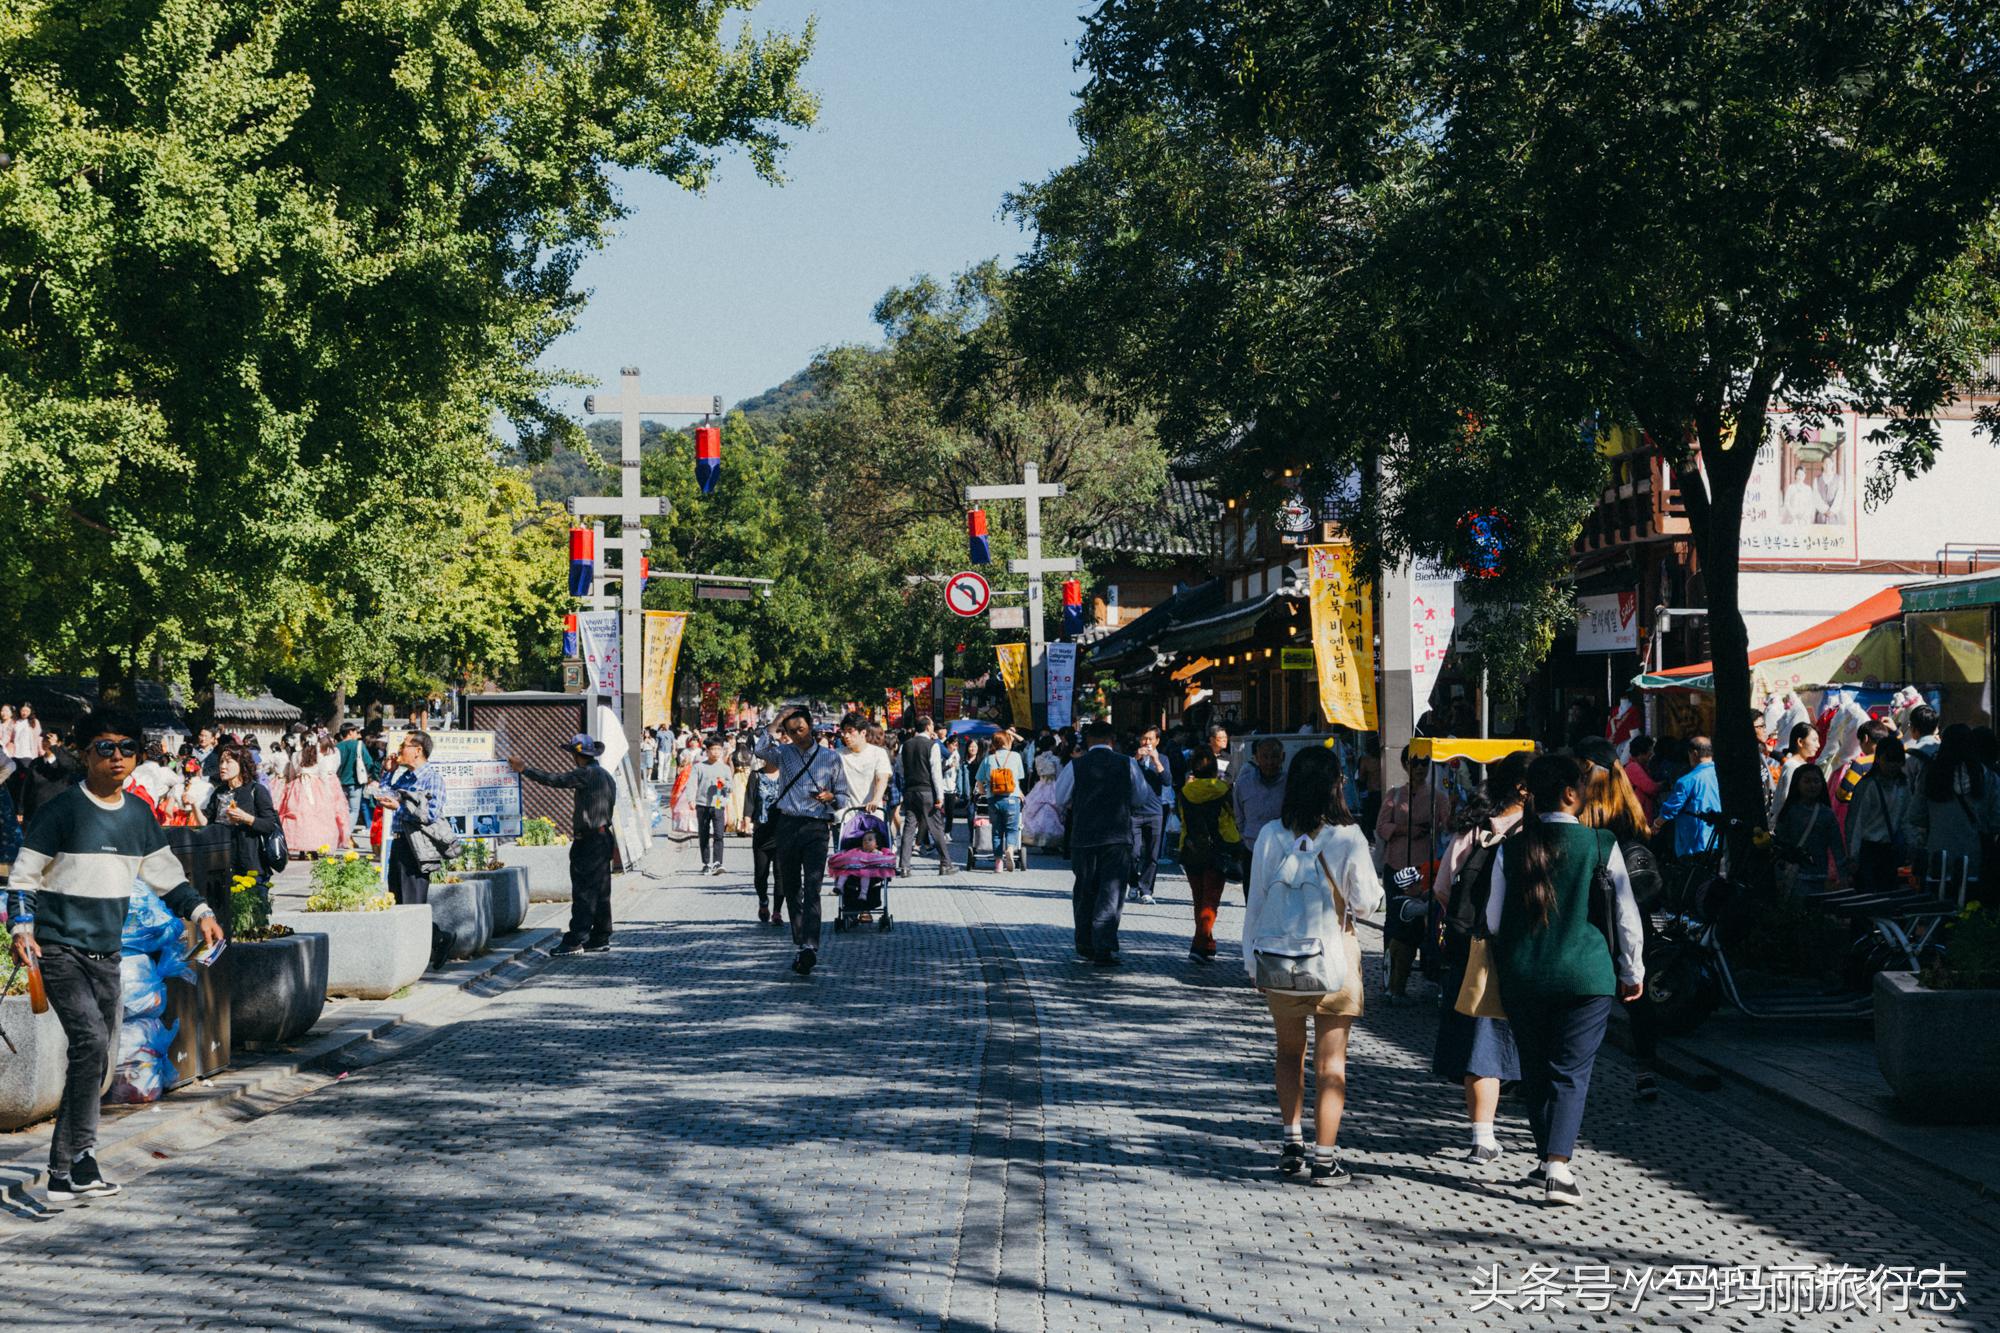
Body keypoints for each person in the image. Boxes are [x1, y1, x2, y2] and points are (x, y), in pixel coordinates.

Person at [8, 709, 224, 1202]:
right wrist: (21, 928)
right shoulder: (61, 811)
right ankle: (70, 1166)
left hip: (108, 955)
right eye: (105, 748)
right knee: (88, 1043)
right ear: (85, 754)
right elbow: (23, 876)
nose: (118, 757)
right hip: (59, 949)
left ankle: (75, 1166)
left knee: (98, 1057)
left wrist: (202, 912)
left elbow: (166, 876)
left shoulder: (139, 816)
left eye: (127, 748)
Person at [1488, 754, 1645, 1207]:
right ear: (1571, 794)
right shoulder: (1600, 843)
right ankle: (1558, 1166)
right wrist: (1632, 970)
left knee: (1536, 1068)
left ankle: (1544, 1160)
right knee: (1570, 1071)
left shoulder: (1512, 846)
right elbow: (1626, 915)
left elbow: (1493, 920)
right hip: (1586, 974)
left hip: (1524, 974)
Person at [1242, 744, 1382, 1186]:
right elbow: (1366, 903)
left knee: (1288, 1053)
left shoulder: (1270, 835)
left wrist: (1251, 964)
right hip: (1335, 960)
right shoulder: (1348, 836)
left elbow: (1255, 902)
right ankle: (1325, 1158)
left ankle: (1291, 1144)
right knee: (1331, 1063)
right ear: (1335, 785)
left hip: (1279, 959)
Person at [1432, 750, 1530, 1159]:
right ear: (1523, 789)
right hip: (1527, 949)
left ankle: (1483, 1134)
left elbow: (1442, 887)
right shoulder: (1537, 830)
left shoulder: (1475, 828)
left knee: (1481, 1038)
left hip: (1476, 949)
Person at [1575, 739, 1667, 1101]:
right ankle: (1645, 1068)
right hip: (1633, 914)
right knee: (1636, 995)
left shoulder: (1585, 815)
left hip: (1594, 913)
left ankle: (1570, 1072)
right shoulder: (1631, 811)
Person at [1047, 719, 1153, 966]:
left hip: (1084, 836)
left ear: (1088, 741)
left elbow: (1060, 798)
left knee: (1085, 889)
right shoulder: (1127, 763)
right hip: (1117, 837)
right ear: (1112, 740)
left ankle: (1085, 943)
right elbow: (1141, 797)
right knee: (1111, 891)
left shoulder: (1076, 765)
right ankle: (1103, 944)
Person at [759, 709, 849, 977]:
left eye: (801, 729)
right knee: (791, 886)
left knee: (813, 886)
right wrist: (777, 720)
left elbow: (843, 797)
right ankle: (800, 940)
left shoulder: (831, 758)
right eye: (791, 731)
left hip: (816, 827)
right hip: (787, 825)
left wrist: (831, 797)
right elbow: (760, 749)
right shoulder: (784, 753)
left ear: (811, 726)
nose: (797, 735)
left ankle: (810, 944)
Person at [510, 735, 619, 955]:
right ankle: (600, 936)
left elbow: (555, 779)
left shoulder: (585, 773)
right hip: (604, 836)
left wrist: (524, 769)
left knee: (584, 891)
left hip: (589, 840)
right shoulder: (606, 775)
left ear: (577, 755)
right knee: (601, 890)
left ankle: (575, 939)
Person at [1375, 747, 1452, 1002]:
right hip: (1397, 865)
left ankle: (1425, 972)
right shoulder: (1395, 795)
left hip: (1424, 869)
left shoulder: (1438, 797)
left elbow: (1447, 826)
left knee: (1424, 921)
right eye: (1415, 762)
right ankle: (1391, 977)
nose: (1419, 767)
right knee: (1395, 921)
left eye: (1424, 763)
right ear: (1405, 765)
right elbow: (1381, 826)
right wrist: (1405, 829)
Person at [1910, 723, 2000, 897]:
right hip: (1973, 858)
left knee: (1937, 907)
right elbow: (1996, 820)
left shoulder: (1931, 775)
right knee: (1969, 908)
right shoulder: (1986, 776)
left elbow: (1915, 815)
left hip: (1938, 857)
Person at [1177, 750, 1240, 961]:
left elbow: (1182, 817)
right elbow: (1235, 816)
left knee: (1199, 899)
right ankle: (1199, 944)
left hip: (1192, 848)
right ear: (1214, 769)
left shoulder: (1185, 791)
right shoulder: (1223, 790)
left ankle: (1207, 944)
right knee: (1210, 900)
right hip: (1218, 849)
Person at [197, 743, 282, 899]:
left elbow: (270, 825)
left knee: (254, 909)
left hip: (251, 862)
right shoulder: (219, 792)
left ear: (242, 764)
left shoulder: (256, 790)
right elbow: (206, 823)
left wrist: (246, 818)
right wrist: (193, 806)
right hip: (223, 862)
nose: (223, 766)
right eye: (221, 762)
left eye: (228, 762)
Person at [372, 730, 447, 906]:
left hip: (417, 845)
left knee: (413, 902)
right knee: (396, 899)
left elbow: (430, 815)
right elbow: (383, 797)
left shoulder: (432, 779)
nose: (398, 750)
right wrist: (389, 772)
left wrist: (399, 808)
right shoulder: (405, 777)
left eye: (403, 745)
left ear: (418, 750)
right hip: (399, 843)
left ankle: (427, 926)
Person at [1846, 736, 1918, 892]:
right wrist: (1853, 856)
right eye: (1889, 760)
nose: (1893, 765)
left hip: (1890, 850)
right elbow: (1856, 823)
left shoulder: (1903, 784)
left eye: (1897, 760)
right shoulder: (1868, 785)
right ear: (1878, 759)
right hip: (1868, 850)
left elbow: (1906, 819)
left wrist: (1912, 845)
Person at [1772, 763, 1846, 897]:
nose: (1812, 785)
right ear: (1797, 784)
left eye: (1816, 781)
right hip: (1795, 878)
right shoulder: (1790, 812)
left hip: (1819, 878)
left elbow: (1837, 847)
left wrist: (1844, 876)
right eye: (1807, 781)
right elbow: (1779, 845)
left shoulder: (1827, 814)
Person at [896, 715, 952, 877]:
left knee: (909, 827)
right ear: (928, 727)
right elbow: (936, 772)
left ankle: (904, 866)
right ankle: (945, 863)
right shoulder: (932, 745)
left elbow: (900, 768)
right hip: (927, 790)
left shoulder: (905, 745)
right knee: (936, 826)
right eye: (932, 725)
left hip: (910, 790)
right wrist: (940, 796)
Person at [1652, 735, 1721, 858]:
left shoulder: (1686, 781)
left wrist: (1657, 824)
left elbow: (1671, 809)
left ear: (1694, 753)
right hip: (1720, 839)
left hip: (1695, 842)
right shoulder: (1722, 776)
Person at [975, 729, 1028, 872]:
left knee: (997, 831)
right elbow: (1018, 778)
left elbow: (979, 780)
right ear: (1007, 742)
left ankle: (998, 863)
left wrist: (983, 791)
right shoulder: (1016, 756)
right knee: (1012, 828)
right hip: (1011, 798)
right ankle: (1010, 848)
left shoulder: (988, 759)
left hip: (994, 799)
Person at [1128, 728, 1168, 904]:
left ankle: (1146, 890)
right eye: (1144, 739)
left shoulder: (1163, 759)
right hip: (1134, 812)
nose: (1147, 743)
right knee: (1132, 852)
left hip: (1154, 812)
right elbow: (1124, 778)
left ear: (1157, 741)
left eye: (1150, 739)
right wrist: (1136, 758)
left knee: (1152, 854)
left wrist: (1156, 761)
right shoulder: (1131, 759)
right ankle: (1133, 883)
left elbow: (1167, 781)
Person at [1231, 737, 1289, 854]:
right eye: (1265, 757)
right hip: (1252, 848)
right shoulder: (1244, 783)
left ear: (1282, 757)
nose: (1269, 762)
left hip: (1283, 849)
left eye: (1274, 756)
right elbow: (1238, 815)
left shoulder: (1290, 784)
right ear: (1257, 758)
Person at [835, 711, 893, 829]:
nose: (846, 736)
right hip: (845, 818)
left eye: (850, 731)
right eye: (844, 732)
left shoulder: (878, 753)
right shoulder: (837, 755)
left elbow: (882, 779)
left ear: (863, 732)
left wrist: (875, 800)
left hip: (872, 817)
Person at [689, 737, 734, 875]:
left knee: (719, 834)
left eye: (719, 749)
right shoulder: (699, 767)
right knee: (703, 835)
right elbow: (692, 784)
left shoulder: (725, 768)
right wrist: (691, 800)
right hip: (702, 804)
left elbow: (731, 787)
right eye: (713, 749)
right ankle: (706, 863)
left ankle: (717, 863)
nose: (716, 752)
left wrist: (724, 784)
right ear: (707, 751)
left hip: (718, 804)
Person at [747, 764, 783, 926]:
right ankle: (763, 901)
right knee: (760, 874)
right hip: (761, 831)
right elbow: (749, 799)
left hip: (782, 832)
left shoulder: (788, 774)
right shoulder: (756, 776)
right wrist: (746, 819)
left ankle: (777, 911)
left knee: (781, 875)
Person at [22, 730, 83, 823]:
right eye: (44, 739)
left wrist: (54, 746)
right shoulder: (36, 762)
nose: (45, 742)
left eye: (49, 739)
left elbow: (68, 765)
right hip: (36, 812)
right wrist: (21, 810)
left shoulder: (63, 762)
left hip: (57, 812)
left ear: (59, 743)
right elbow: (27, 786)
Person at [1768, 721, 1821, 824]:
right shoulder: (1792, 766)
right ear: (1800, 742)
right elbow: (1788, 798)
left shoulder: (1800, 765)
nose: (1818, 745)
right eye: (1814, 740)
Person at [334, 723, 377, 845]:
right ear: (350, 732)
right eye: (356, 732)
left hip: (338, 783)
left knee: (340, 811)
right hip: (355, 783)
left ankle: (339, 835)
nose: (357, 734)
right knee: (353, 810)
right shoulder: (358, 745)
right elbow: (369, 762)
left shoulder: (337, 747)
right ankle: (345, 836)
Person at [1021, 751, 1067, 848]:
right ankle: (1053, 840)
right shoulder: (1056, 760)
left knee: (1034, 808)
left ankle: (1035, 837)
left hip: (1040, 786)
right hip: (1053, 786)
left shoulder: (1038, 759)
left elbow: (1035, 773)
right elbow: (1060, 774)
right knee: (1053, 810)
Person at [1622, 735, 1660, 824]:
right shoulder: (1633, 767)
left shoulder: (1641, 766)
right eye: (1650, 750)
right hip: (1639, 818)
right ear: (1641, 753)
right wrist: (1661, 785)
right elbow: (1650, 788)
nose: (1651, 753)